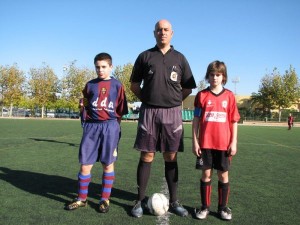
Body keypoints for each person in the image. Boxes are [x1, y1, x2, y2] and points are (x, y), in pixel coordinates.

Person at [130, 19, 196, 218]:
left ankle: (174, 201)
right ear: (154, 33)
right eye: (159, 30)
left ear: (172, 33)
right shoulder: (145, 56)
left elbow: (188, 87)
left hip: (172, 113)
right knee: (147, 155)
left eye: (166, 30)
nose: (163, 33)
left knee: (171, 156)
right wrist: (149, 100)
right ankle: (140, 200)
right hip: (149, 112)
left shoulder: (180, 58)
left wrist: (173, 101)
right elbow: (134, 85)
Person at [65, 53, 128, 213]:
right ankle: (81, 199)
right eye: (97, 67)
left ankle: (104, 199)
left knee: (107, 163)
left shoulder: (118, 85)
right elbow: (84, 104)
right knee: (85, 165)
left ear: (110, 67)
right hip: (91, 128)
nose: (100, 70)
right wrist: (84, 116)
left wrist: (114, 128)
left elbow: (120, 110)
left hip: (110, 127)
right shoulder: (89, 85)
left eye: (104, 67)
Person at [192, 61, 240, 221]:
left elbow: (234, 121)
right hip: (205, 144)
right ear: (208, 76)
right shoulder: (201, 95)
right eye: (212, 74)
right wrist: (195, 141)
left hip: (223, 144)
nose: (215, 78)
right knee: (206, 175)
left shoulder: (230, 96)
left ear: (223, 76)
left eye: (218, 75)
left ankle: (222, 208)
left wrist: (234, 142)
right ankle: (205, 207)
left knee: (223, 176)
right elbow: (196, 120)